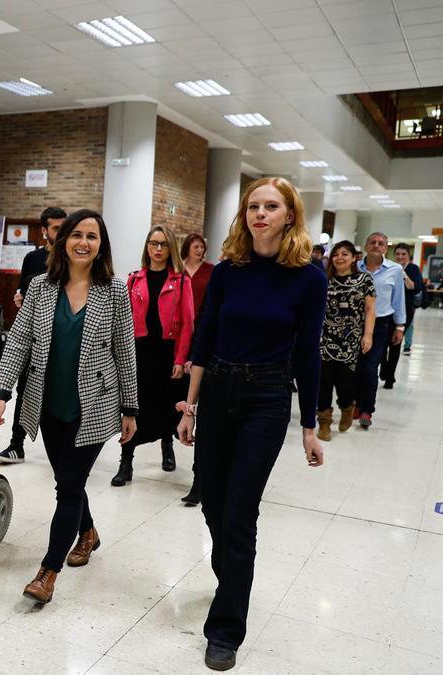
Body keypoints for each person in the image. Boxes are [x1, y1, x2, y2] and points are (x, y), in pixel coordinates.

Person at [175, 177, 326, 672]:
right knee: (213, 502)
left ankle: (225, 629)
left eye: (271, 206)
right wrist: (190, 405)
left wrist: (310, 425)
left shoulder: (308, 277)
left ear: (289, 216)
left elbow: (308, 353)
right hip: (217, 390)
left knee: (240, 511)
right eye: (253, 206)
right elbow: (205, 335)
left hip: (267, 396)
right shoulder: (227, 272)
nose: (260, 213)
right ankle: (232, 575)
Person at [0, 209, 138, 605]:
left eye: (92, 236)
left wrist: (131, 408)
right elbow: (19, 340)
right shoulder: (40, 286)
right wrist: (2, 391)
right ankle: (88, 532)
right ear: (63, 240)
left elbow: (125, 351)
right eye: (77, 235)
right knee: (68, 481)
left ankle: (47, 572)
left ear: (101, 244)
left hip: (95, 407)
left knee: (69, 487)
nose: (84, 242)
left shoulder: (115, 291)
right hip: (47, 402)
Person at [111, 225, 193, 487]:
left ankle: (167, 445)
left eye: (163, 244)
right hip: (139, 351)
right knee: (134, 406)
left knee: (167, 404)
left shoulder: (181, 280)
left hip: (167, 352)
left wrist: (180, 359)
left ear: (171, 248)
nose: (158, 249)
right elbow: (123, 321)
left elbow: (188, 324)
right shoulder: (134, 279)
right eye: (153, 244)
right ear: (147, 247)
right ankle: (126, 461)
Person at [0, 206, 67, 463]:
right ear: (45, 230)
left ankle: (65, 445)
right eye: (57, 228)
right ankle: (17, 444)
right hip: (33, 334)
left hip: (61, 337)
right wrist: (19, 297)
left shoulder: (73, 260)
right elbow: (24, 291)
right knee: (25, 388)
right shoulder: (32, 259)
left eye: (64, 226)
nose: (62, 233)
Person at [316, 240, 375, 441]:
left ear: (353, 258)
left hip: (350, 340)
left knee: (345, 382)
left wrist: (368, 335)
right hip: (324, 338)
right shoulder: (325, 279)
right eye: (335, 254)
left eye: (344, 254)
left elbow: (369, 310)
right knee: (323, 382)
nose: (339, 258)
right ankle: (324, 422)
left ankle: (347, 407)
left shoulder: (364, 280)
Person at [354, 232, 406, 429]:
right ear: (366, 246)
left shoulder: (394, 270)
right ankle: (355, 404)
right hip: (354, 323)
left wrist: (400, 326)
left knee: (370, 367)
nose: (376, 245)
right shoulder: (355, 267)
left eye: (381, 243)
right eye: (372, 242)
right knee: (354, 367)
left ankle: (367, 409)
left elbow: (398, 299)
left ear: (386, 248)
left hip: (381, 324)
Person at [179, 232, 214, 506]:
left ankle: (206, 480)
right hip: (193, 343)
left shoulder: (213, 273)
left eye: (203, 247)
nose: (200, 250)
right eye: (196, 246)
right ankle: (198, 481)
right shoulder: (179, 271)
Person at [391, 243, 425, 361]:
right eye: (397, 254)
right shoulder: (391, 268)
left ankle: (390, 374)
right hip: (390, 307)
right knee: (386, 339)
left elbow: (414, 287)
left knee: (398, 337)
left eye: (403, 254)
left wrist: (403, 274)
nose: (400, 256)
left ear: (408, 255)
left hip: (406, 307)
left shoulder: (413, 269)